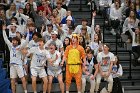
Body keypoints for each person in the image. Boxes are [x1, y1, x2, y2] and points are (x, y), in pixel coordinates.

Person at [2, 25, 29, 93]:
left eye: (14, 41)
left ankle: (25, 91)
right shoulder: (10, 46)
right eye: (13, 40)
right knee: (12, 80)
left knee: (22, 79)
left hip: (19, 65)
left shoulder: (20, 47)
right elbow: (5, 38)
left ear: (17, 41)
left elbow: (26, 41)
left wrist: (28, 33)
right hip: (12, 65)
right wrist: (3, 30)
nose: (13, 42)